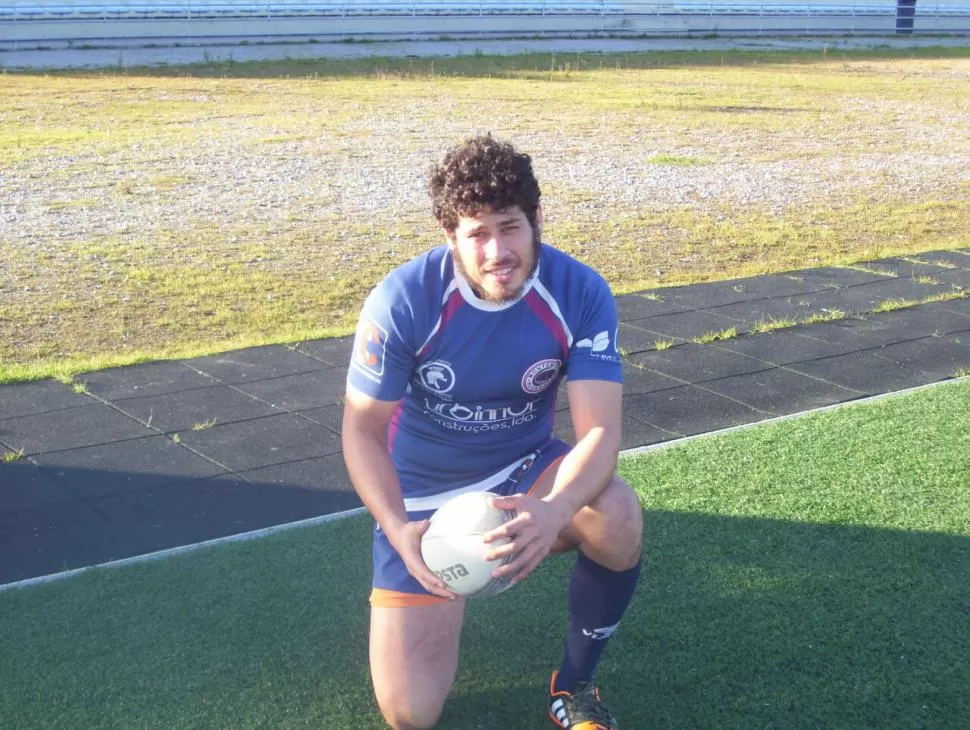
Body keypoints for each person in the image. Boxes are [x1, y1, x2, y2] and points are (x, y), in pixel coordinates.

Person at [342, 134, 643, 730]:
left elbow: (600, 433)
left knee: (615, 511)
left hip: (522, 471)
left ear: (536, 220)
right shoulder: (403, 299)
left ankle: (575, 686)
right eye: (477, 233)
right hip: (421, 498)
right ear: (450, 236)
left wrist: (555, 510)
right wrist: (399, 526)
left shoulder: (580, 291)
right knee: (410, 714)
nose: (496, 251)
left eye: (509, 227)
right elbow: (362, 429)